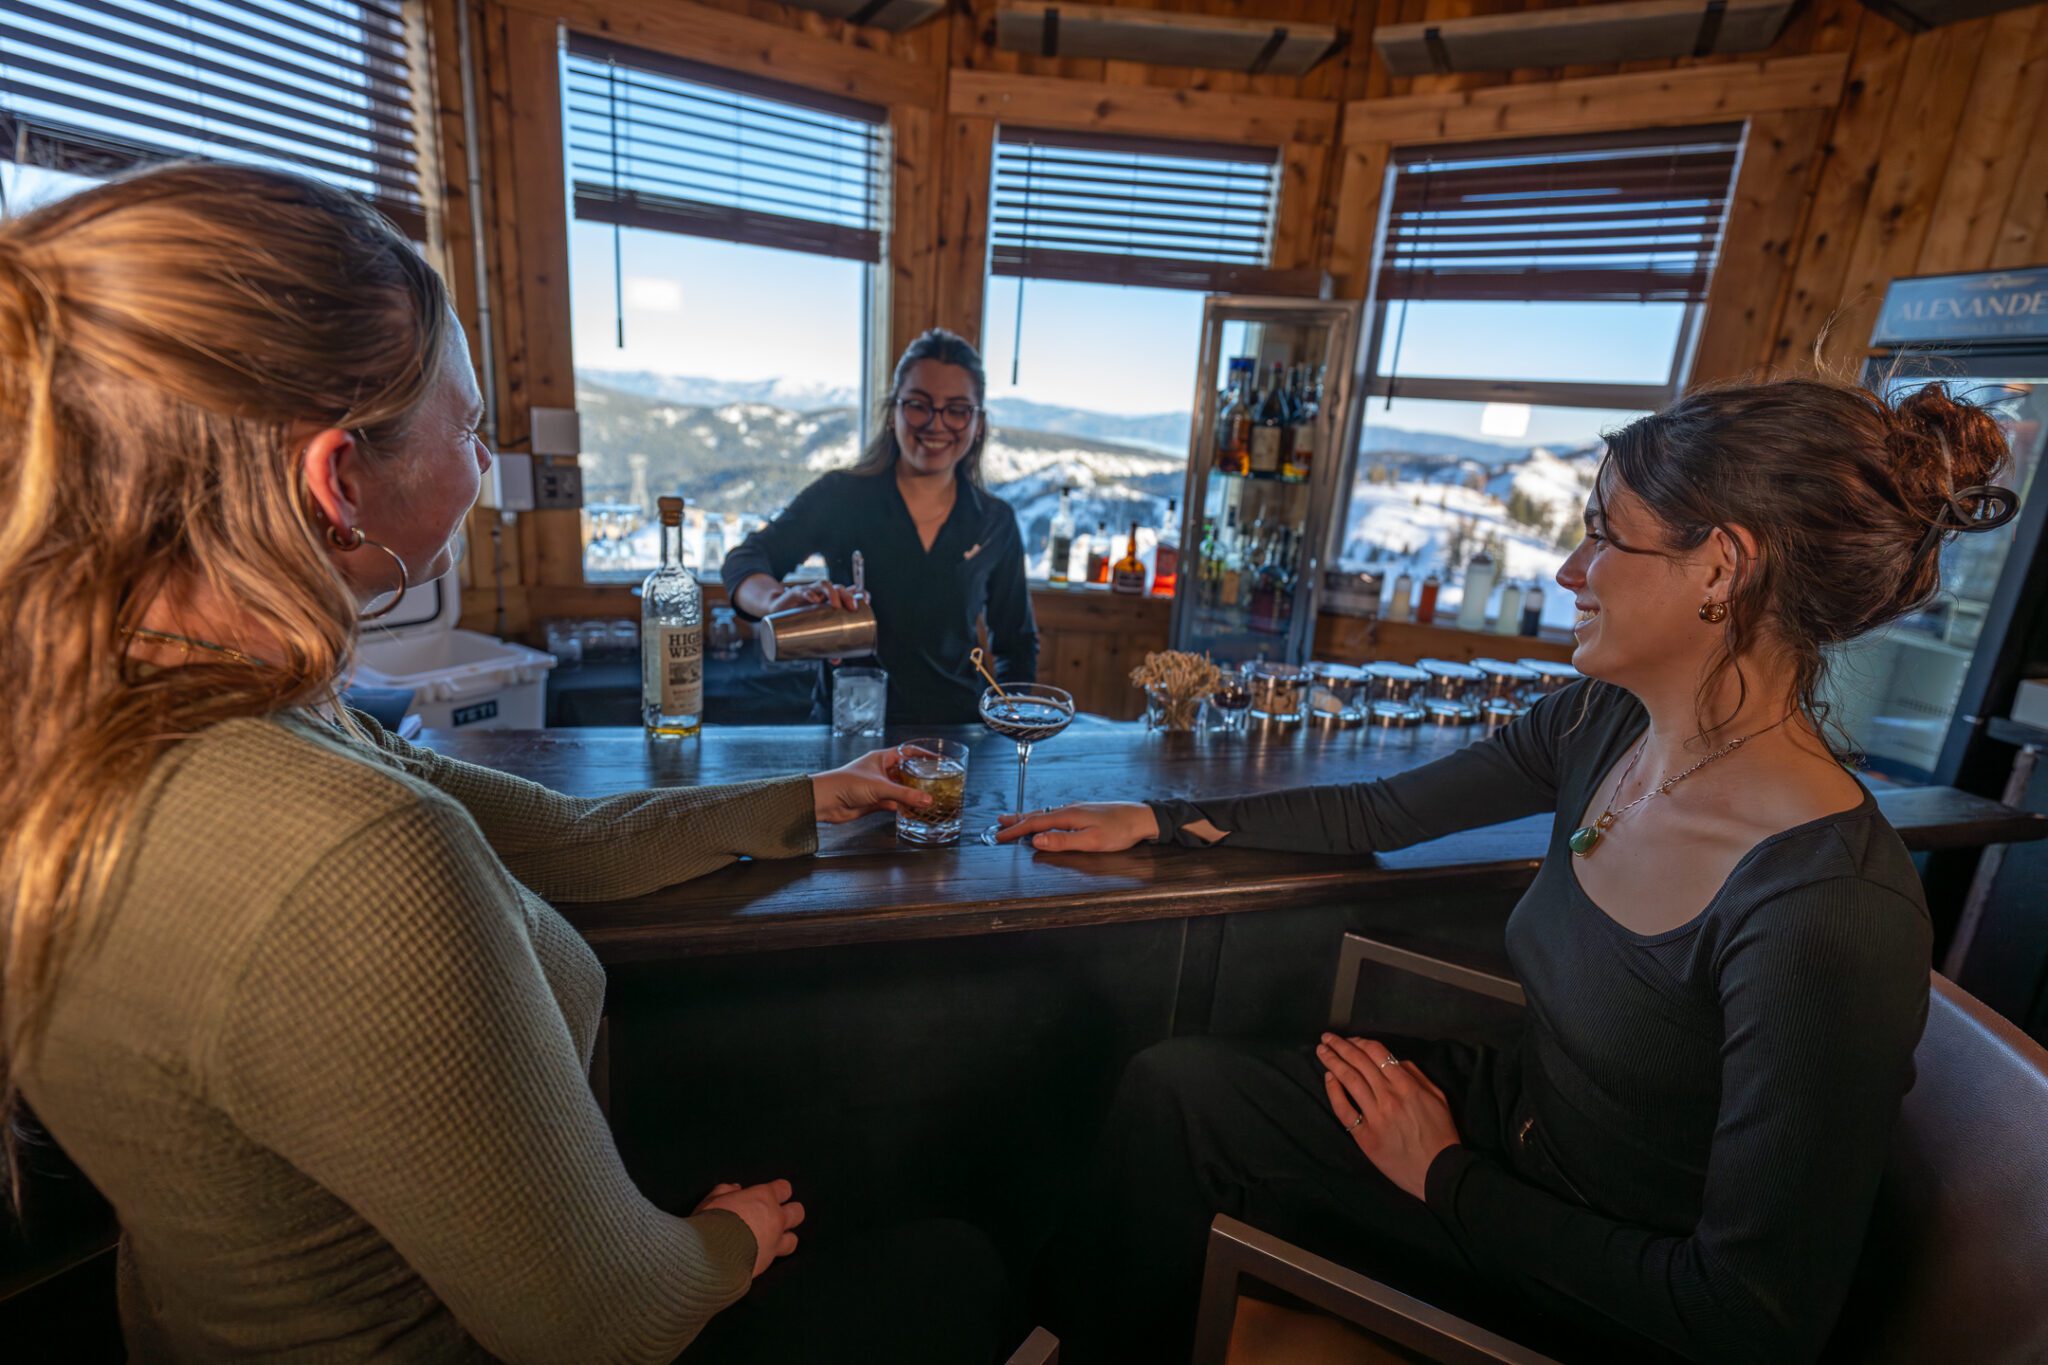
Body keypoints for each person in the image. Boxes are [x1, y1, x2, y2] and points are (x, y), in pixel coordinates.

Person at [0, 164, 1005, 1363]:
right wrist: (732, 1240)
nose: (482, 468)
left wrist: (805, 797)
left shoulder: (120, 718)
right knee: (961, 1270)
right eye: (470, 430)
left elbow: (560, 839)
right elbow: (606, 1320)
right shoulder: (350, 854)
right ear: (338, 480)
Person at [998, 376, 2018, 1364]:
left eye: (1602, 535)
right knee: (1176, 1090)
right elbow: (1382, 809)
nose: (1568, 573)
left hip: (1594, 1265)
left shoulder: (1827, 911)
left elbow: (1746, 1320)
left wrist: (1442, 1175)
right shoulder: (1601, 722)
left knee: (1192, 1144)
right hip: (1513, 1133)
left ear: (1722, 567)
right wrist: (1164, 820)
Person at [722, 330, 1037, 725]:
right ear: (893, 412)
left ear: (978, 424)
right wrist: (774, 603)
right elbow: (746, 559)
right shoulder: (841, 495)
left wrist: (1006, 727)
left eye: (957, 409)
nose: (937, 424)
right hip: (851, 730)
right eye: (918, 405)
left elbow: (1017, 645)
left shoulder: (995, 520)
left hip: (953, 737)